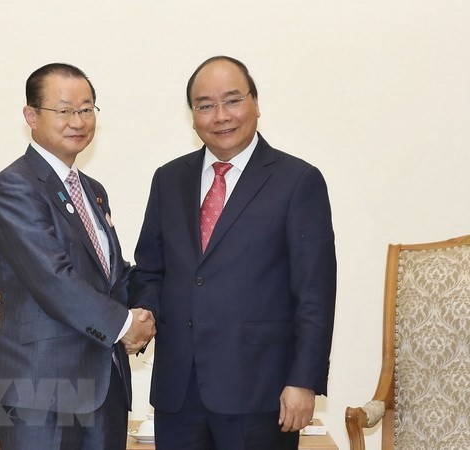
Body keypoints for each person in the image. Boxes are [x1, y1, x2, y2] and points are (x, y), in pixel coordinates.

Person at [129, 56, 337, 450]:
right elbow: (150, 270)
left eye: (232, 100)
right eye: (205, 105)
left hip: (261, 393)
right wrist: (144, 314)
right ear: (192, 115)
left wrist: (304, 381)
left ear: (256, 103)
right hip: (178, 393)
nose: (220, 115)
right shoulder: (168, 179)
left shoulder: (298, 181)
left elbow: (315, 293)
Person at [0, 62, 155, 450]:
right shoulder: (15, 186)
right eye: (64, 110)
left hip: (104, 387)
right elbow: (53, 279)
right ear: (31, 116)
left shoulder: (92, 190)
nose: (78, 120)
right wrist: (126, 325)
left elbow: (111, 277)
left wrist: (151, 299)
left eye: (87, 108)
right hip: (41, 391)